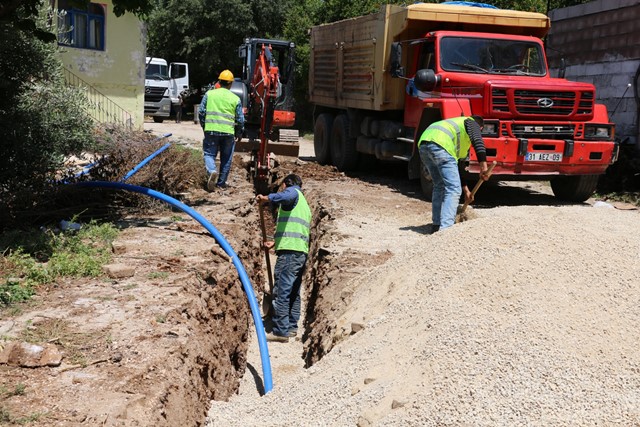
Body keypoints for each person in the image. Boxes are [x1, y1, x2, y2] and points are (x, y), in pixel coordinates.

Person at [256, 174, 311, 343]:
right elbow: (292, 228)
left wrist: (267, 198)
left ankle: (280, 331)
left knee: (281, 291)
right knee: (293, 291)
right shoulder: (304, 204)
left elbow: (286, 195)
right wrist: (274, 242)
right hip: (299, 252)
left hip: (289, 253)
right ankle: (291, 327)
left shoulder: (292, 192)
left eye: (283, 187)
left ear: (287, 184)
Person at [418, 115, 489, 231]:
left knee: (439, 185)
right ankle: (446, 228)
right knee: (453, 189)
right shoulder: (472, 123)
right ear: (480, 128)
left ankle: (436, 225)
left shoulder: (457, 129)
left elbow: (458, 168)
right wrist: (483, 167)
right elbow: (478, 141)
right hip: (441, 146)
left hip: (424, 145)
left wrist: (466, 191)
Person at [198, 70, 244, 191]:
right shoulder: (235, 99)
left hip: (211, 131)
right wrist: (239, 132)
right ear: (231, 84)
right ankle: (221, 183)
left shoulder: (209, 94)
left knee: (209, 154)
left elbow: (201, 112)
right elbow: (240, 119)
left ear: (219, 81)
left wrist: (204, 127)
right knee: (226, 158)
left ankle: (212, 171)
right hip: (228, 133)